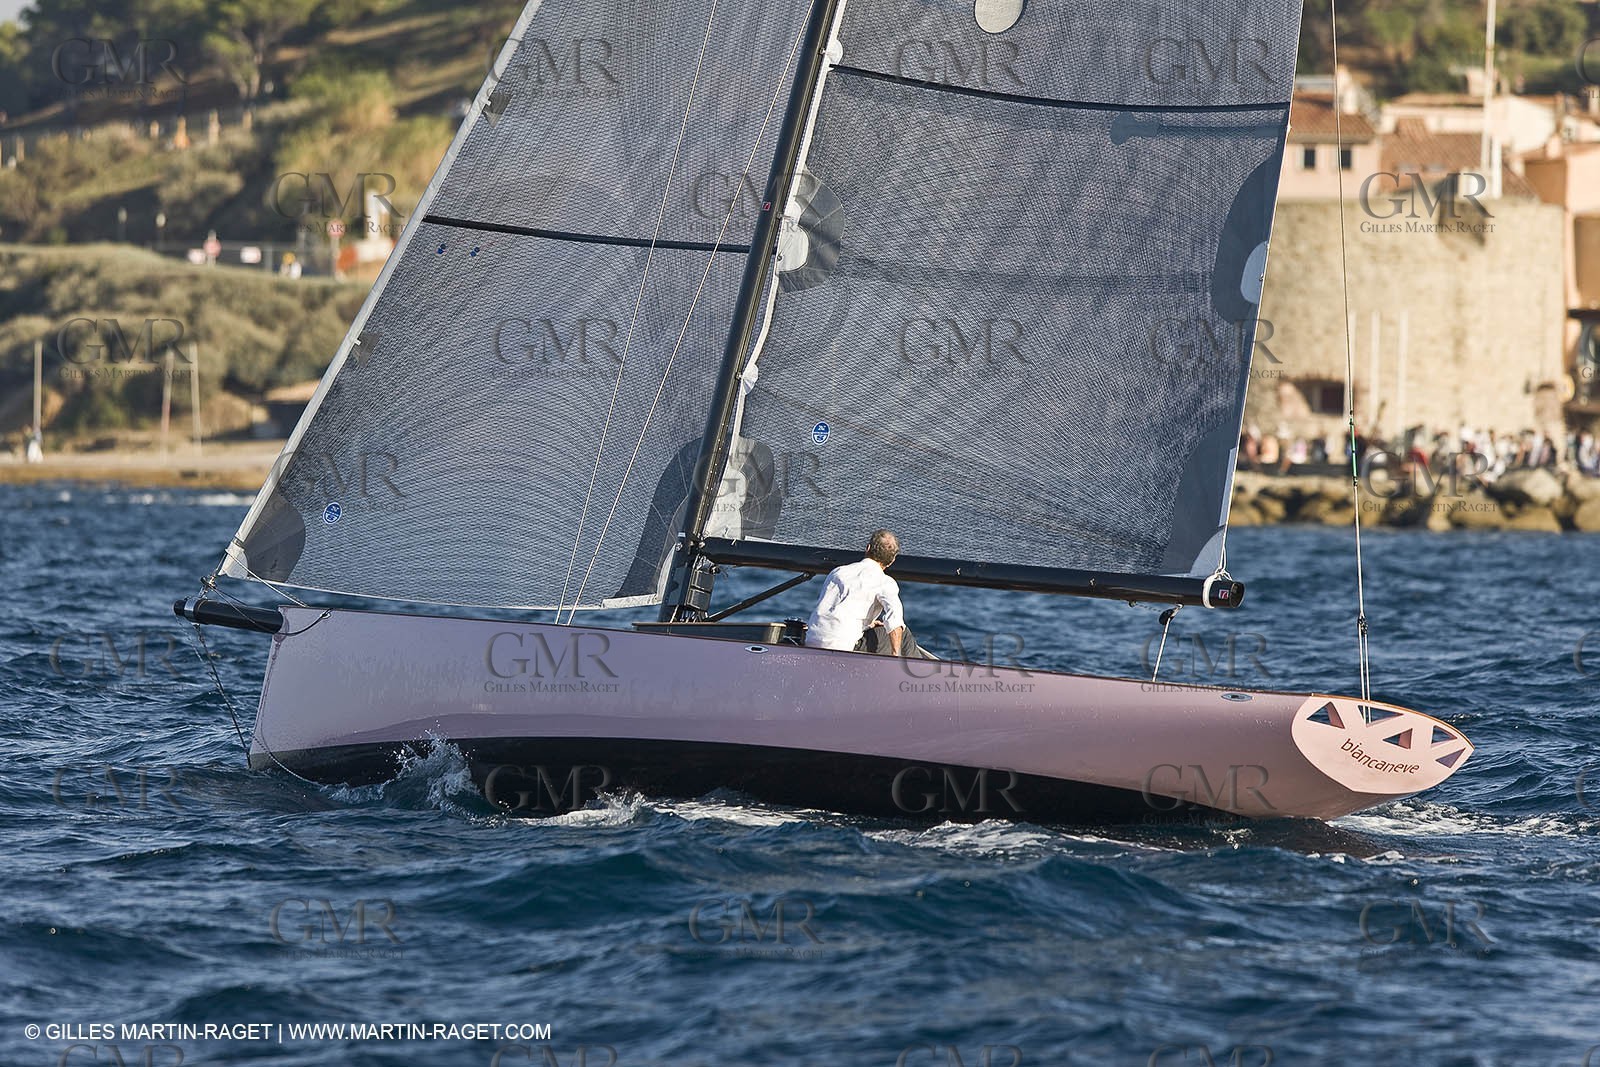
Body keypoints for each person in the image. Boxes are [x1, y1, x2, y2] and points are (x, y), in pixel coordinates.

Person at [806, 529, 932, 658]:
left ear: (868, 548)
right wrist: (895, 655)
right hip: (844, 648)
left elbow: (834, 611)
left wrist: (868, 624)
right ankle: (916, 674)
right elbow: (895, 621)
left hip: (812, 640)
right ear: (892, 560)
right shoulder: (885, 582)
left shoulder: (838, 572)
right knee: (903, 634)